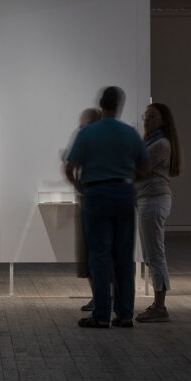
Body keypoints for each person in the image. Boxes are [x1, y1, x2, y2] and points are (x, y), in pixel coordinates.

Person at [65, 87, 150, 329]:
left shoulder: (88, 134)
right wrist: (128, 179)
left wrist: (79, 185)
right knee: (124, 257)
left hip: (96, 194)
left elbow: (70, 167)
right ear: (119, 106)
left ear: (101, 104)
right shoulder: (129, 134)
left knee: (100, 257)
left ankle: (101, 315)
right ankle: (125, 315)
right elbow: (146, 168)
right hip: (123, 193)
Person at [135, 103, 181, 323]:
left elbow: (138, 168)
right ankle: (157, 303)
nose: (147, 120)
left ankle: (160, 306)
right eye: (146, 116)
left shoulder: (160, 144)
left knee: (155, 254)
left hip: (154, 200)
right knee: (150, 254)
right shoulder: (150, 142)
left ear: (163, 120)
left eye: (152, 116)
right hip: (146, 199)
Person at [63, 107, 101, 312]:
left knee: (92, 251)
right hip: (103, 198)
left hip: (91, 200)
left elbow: (69, 166)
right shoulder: (110, 137)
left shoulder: (83, 137)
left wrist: (78, 185)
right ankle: (106, 299)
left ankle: (102, 300)